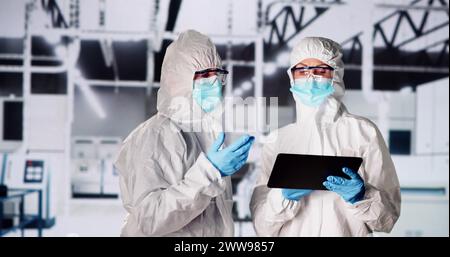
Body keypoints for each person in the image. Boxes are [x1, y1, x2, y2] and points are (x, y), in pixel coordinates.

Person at [250, 37, 401, 236]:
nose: (310, 77)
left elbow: (388, 218)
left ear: (336, 75)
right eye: (302, 70)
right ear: (292, 77)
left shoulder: (363, 132)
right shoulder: (279, 140)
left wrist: (361, 196)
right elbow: (262, 225)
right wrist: (282, 198)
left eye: (320, 70)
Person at [114, 30, 254, 236]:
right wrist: (210, 172)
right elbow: (150, 218)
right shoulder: (154, 136)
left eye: (217, 75)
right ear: (178, 80)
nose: (214, 85)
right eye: (205, 76)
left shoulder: (208, 135)